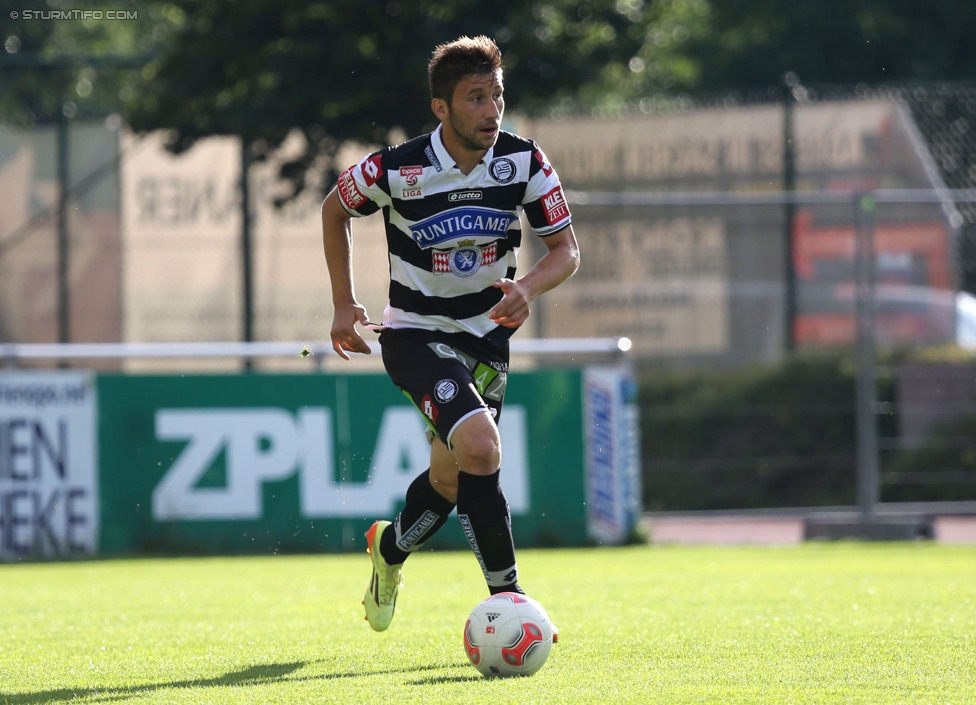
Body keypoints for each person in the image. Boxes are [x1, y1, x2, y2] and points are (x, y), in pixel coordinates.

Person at [321, 35, 580, 634]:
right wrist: (342, 303)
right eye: (475, 98)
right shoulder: (398, 168)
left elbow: (566, 252)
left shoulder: (525, 161)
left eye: (497, 96)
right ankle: (510, 603)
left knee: (450, 476)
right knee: (484, 449)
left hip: (486, 338)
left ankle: (388, 553)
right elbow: (334, 208)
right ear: (442, 108)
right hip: (415, 336)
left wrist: (528, 288)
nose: (492, 111)